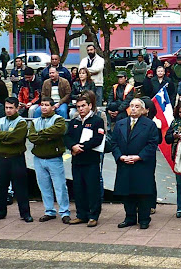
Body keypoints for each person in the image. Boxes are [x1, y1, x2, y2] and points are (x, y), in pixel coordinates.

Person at [112, 98, 160, 229]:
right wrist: (120, 157)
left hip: (142, 164)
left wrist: (139, 157)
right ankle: (130, 217)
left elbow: (152, 144)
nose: (133, 108)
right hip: (124, 163)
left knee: (142, 192)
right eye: (131, 106)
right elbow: (114, 143)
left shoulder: (149, 125)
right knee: (127, 192)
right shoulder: (120, 123)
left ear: (143, 110)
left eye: (137, 106)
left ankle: (144, 219)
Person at [28, 97, 71, 224]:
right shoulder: (35, 121)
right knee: (44, 186)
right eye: (42, 104)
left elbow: (58, 130)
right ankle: (49, 211)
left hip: (54, 158)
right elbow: (31, 137)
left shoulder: (59, 119)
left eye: (47, 105)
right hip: (39, 158)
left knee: (60, 186)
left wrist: (40, 135)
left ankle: (64, 212)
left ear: (53, 107)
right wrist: (47, 137)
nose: (44, 107)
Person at [0, 97, 33, 222]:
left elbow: (17, 139)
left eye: (11, 108)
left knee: (21, 187)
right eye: (6, 108)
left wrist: (2, 135)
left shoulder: (21, 122)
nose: (8, 110)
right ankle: (0, 211)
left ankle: (25, 213)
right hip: (2, 157)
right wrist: (7, 136)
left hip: (16, 158)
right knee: (1, 186)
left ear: (17, 108)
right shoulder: (0, 120)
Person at [64, 94, 105, 227]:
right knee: (78, 188)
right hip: (77, 160)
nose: (81, 109)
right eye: (78, 107)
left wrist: (82, 147)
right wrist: (72, 146)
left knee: (92, 188)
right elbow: (67, 137)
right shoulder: (74, 121)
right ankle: (81, 214)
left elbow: (98, 139)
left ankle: (93, 215)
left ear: (90, 106)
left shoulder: (97, 121)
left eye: (83, 106)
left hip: (91, 160)